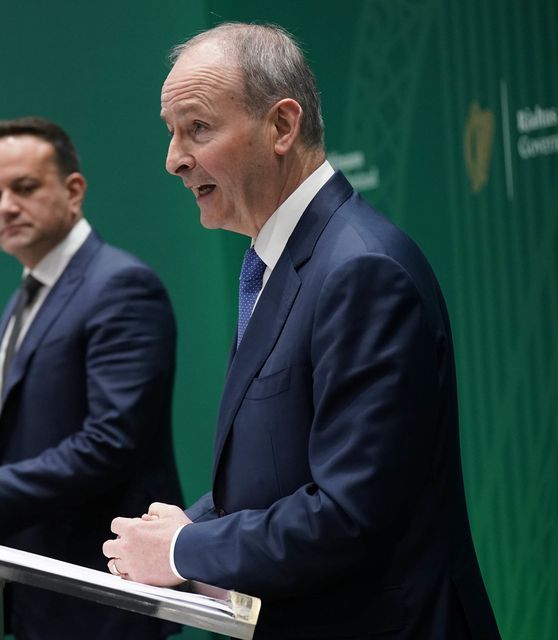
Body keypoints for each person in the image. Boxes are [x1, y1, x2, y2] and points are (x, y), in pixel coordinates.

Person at [102, 23, 501, 640]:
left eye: (198, 129)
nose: (174, 158)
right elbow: (280, 470)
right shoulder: (276, 259)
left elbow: (347, 512)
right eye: (172, 133)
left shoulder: (362, 269)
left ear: (282, 127)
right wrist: (185, 528)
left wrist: (187, 550)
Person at [0, 117, 183, 639]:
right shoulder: (23, 295)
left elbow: (110, 443)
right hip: (34, 580)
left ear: (73, 191)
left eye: (24, 188)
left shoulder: (121, 286)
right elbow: (3, 433)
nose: (5, 206)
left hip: (100, 586)